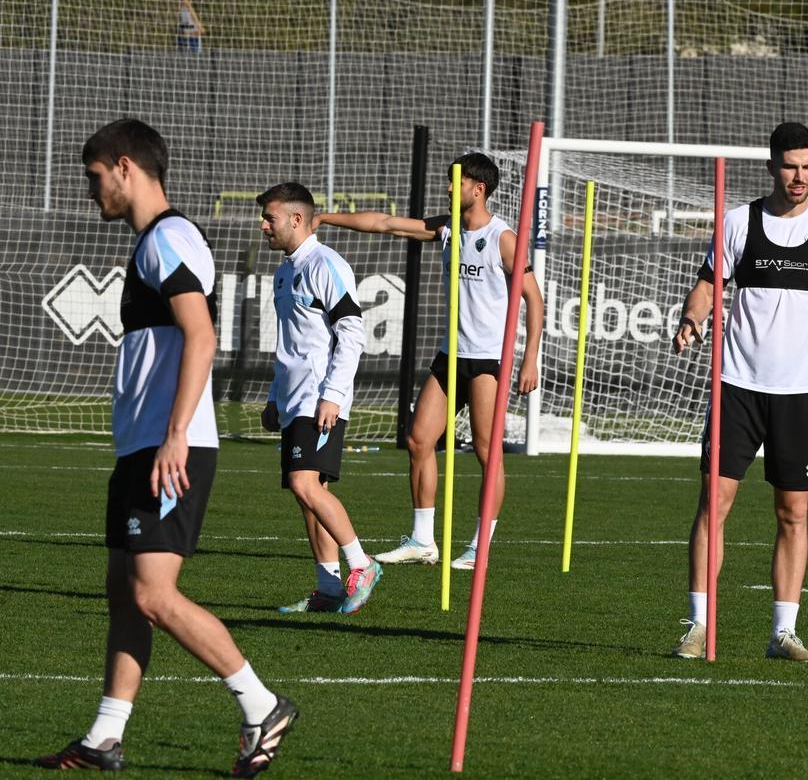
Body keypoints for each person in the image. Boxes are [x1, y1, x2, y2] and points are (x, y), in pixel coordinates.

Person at [35, 119, 297, 776]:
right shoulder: (153, 243)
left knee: (153, 593)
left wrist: (176, 433)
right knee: (124, 589)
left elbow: (201, 335)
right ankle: (103, 736)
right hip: (145, 443)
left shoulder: (168, 238)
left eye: (95, 176)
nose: (91, 189)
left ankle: (261, 703)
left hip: (171, 444)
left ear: (126, 167)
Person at [670, 122, 808, 663]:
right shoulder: (737, 223)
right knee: (714, 505)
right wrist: (692, 318)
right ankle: (697, 626)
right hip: (737, 386)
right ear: (771, 165)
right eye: (789, 166)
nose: (798, 176)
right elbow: (709, 285)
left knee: (793, 514)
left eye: (807, 166)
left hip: (800, 393)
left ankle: (783, 634)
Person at [314, 152, 543, 570]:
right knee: (419, 440)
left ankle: (480, 546)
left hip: (489, 359)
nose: (449, 187)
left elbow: (534, 298)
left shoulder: (502, 238)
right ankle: (423, 540)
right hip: (449, 355)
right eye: (449, 181)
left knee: (488, 453)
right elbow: (385, 223)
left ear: (479, 188)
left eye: (457, 181)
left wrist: (529, 360)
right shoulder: (447, 227)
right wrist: (323, 218)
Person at [257, 182, 382, 615]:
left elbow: (351, 333)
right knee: (308, 494)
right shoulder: (284, 270)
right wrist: (275, 397)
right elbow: (289, 343)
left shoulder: (325, 264)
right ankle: (328, 590)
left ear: (296, 219)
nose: (263, 226)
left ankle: (362, 565)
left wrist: (332, 395)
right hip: (294, 400)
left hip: (319, 399)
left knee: (304, 483)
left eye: (269, 218)